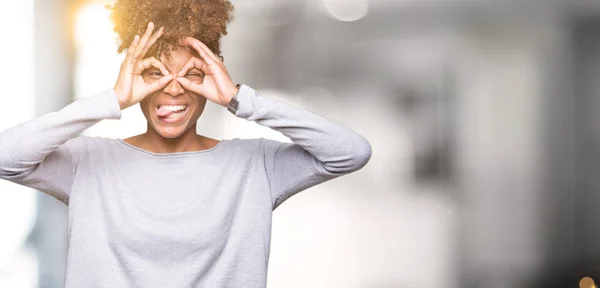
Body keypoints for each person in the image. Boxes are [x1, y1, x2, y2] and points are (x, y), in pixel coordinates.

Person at [0, 0, 371, 287]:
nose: (174, 88)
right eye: (154, 73)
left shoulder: (255, 164)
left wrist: (241, 99)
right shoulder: (89, 162)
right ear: (133, 79)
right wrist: (110, 100)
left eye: (192, 75)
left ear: (214, 77)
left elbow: (350, 152)